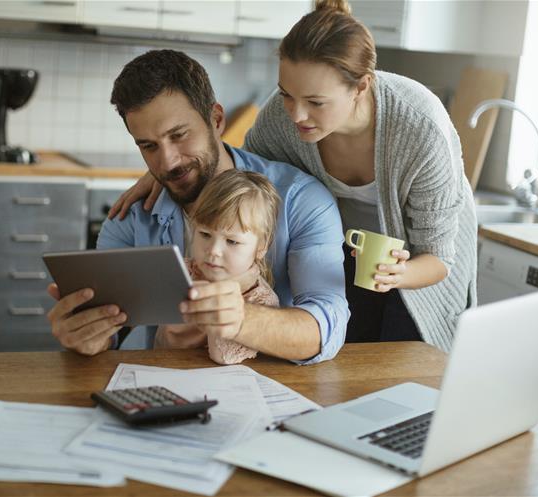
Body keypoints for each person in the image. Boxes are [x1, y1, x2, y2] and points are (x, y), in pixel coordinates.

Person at [108, 1, 477, 352]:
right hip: (351, 250)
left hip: (420, 258)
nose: (296, 115)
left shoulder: (420, 127)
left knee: (409, 359)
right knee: (350, 355)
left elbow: (440, 257)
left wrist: (396, 275)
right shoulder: (279, 120)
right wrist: (168, 173)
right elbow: (243, 173)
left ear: (362, 87)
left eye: (315, 102)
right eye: (286, 95)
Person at [47, 49, 349, 364]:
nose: (167, 162)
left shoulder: (301, 201)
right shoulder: (131, 216)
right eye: (148, 146)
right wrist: (85, 336)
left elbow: (328, 326)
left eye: (179, 135)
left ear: (216, 120)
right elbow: (107, 332)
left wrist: (241, 319)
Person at [155, 169, 281, 365]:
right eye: (205, 234)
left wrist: (218, 296)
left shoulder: (260, 300)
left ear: (261, 247)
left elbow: (223, 356)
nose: (213, 250)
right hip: (164, 371)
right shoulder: (182, 273)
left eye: (231, 241)